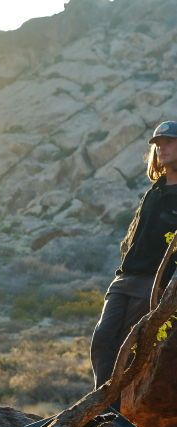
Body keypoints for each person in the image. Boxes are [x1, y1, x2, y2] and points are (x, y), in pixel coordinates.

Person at [91, 120, 177, 393]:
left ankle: (114, 411)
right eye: (158, 144)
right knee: (102, 339)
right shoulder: (155, 190)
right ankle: (100, 405)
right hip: (124, 279)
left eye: (169, 143)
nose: (162, 148)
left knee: (126, 348)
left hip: (152, 283)